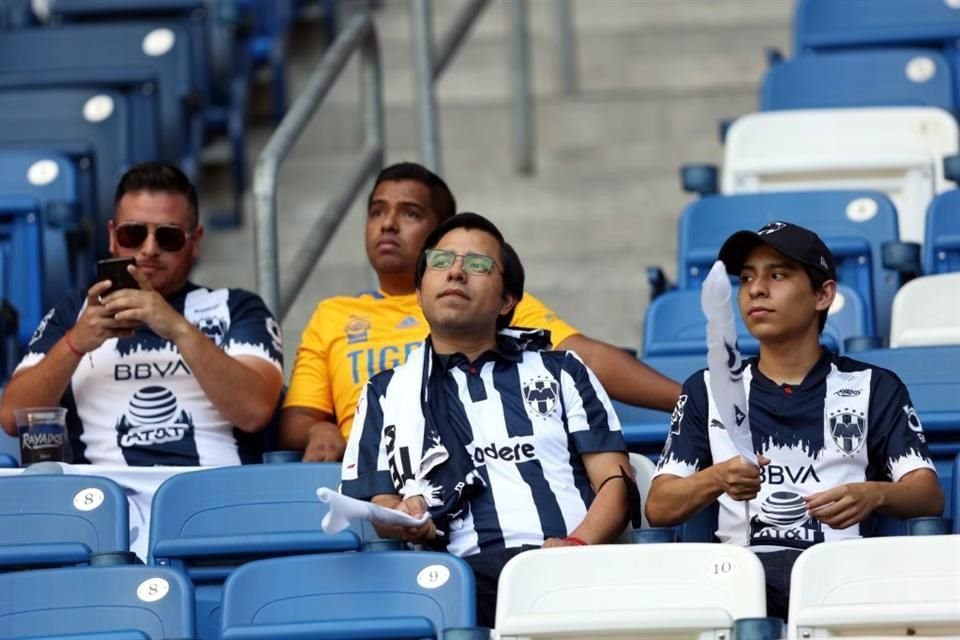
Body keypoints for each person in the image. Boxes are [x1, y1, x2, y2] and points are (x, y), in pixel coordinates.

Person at [280, 161, 680, 461]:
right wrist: (321, 428)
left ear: (444, 233)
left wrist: (689, 399)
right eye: (377, 211)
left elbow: (584, 357)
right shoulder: (332, 315)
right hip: (374, 475)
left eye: (409, 214)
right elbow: (296, 421)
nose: (388, 225)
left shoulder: (478, 296)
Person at [341, 212, 632, 626]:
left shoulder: (562, 370)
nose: (456, 272)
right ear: (419, 294)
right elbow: (380, 502)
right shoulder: (384, 392)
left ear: (507, 300)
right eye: (440, 262)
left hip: (573, 570)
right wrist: (406, 515)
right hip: (457, 582)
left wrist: (576, 545)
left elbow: (617, 484)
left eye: (478, 265)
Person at [644, 221, 944, 619]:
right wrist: (717, 478)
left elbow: (928, 494)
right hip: (738, 581)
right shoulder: (706, 388)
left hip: (842, 576)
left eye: (778, 275)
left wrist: (874, 494)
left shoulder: (874, 385)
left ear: (824, 295)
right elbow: (659, 507)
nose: (756, 289)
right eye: (747, 278)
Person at [0, 163, 284, 466]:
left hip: (213, 501)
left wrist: (178, 329)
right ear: (112, 235)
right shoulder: (75, 312)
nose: (149, 249)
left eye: (168, 237)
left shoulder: (237, 307)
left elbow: (255, 412)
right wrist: (74, 345)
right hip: (103, 502)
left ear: (195, 241)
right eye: (133, 233)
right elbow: (13, 418)